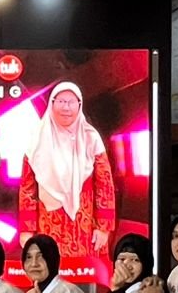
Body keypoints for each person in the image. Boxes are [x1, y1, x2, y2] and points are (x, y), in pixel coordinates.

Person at [19, 81, 115, 272]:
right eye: (61, 101)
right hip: (48, 226)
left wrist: (103, 227)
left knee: (87, 277)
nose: (66, 108)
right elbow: (27, 189)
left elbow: (105, 184)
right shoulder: (37, 139)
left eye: (71, 102)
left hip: (86, 228)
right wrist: (26, 229)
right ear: (52, 103)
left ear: (79, 105)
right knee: (50, 273)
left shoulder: (91, 138)